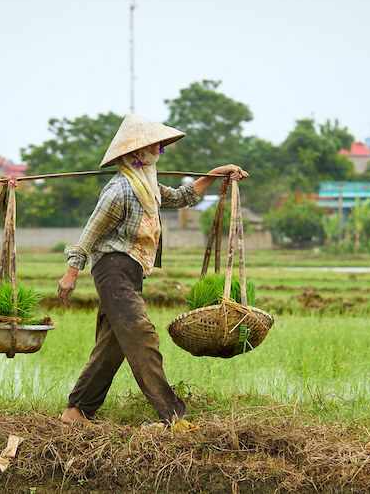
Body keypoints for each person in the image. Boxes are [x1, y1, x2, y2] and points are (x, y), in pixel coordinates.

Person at [57, 114, 249, 429]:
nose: (159, 152)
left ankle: (76, 411)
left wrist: (215, 174)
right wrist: (71, 273)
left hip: (129, 273)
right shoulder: (119, 190)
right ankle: (174, 416)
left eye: (159, 147)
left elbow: (181, 197)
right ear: (136, 153)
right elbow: (89, 234)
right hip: (112, 270)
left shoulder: (147, 184)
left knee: (115, 343)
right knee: (142, 338)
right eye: (154, 148)